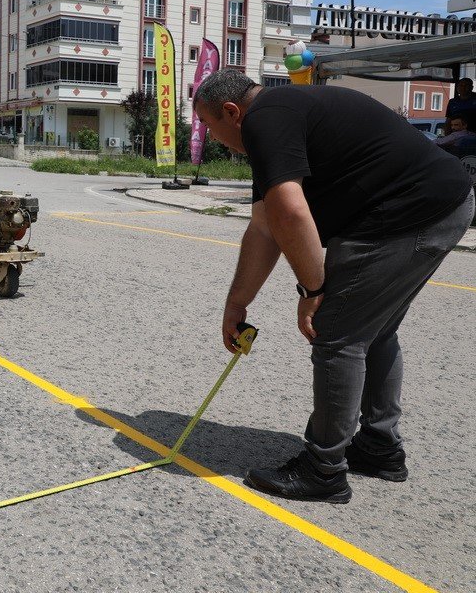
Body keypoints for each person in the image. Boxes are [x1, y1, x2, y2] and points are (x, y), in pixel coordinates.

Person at [192, 69, 474, 504]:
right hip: (444, 202)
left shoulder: (265, 120)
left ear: (232, 111)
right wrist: (237, 303)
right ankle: (379, 449)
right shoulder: (283, 114)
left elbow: (290, 213)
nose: (212, 138)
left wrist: (312, 292)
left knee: (337, 335)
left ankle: (323, 470)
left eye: (209, 126)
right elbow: (264, 227)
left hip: (408, 214)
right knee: (373, 329)